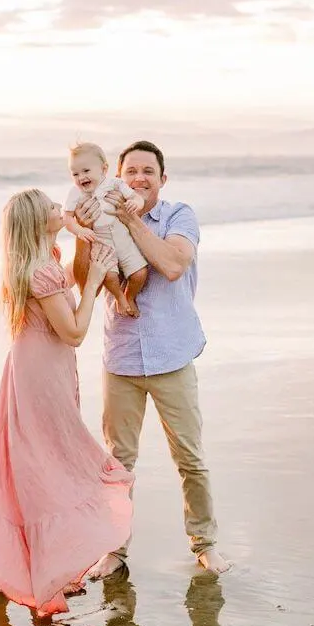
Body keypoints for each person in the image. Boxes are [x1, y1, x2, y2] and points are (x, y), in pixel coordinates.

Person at [0, 189, 134, 617]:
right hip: (42, 377)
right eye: (53, 209)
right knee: (52, 469)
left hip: (37, 370)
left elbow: (62, 312)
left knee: (41, 469)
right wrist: (93, 282)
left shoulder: (38, 260)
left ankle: (48, 572)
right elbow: (74, 332)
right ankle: (46, 577)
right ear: (38, 223)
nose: (63, 209)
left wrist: (77, 226)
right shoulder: (42, 271)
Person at [73, 141, 229, 577]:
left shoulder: (179, 216)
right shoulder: (100, 211)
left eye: (148, 171)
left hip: (171, 354)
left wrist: (130, 220)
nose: (139, 179)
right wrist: (83, 236)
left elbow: (173, 264)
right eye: (131, 172)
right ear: (117, 176)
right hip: (121, 357)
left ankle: (205, 543)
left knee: (190, 458)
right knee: (118, 462)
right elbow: (85, 278)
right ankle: (113, 551)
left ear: (163, 178)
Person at [63, 141, 148, 317]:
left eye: (86, 171)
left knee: (140, 273)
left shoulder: (114, 184)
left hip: (122, 237)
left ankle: (129, 296)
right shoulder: (75, 193)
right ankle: (119, 298)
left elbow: (136, 197)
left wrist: (135, 203)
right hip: (101, 241)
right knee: (110, 277)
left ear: (103, 168)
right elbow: (67, 218)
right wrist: (80, 230)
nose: (81, 178)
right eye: (75, 174)